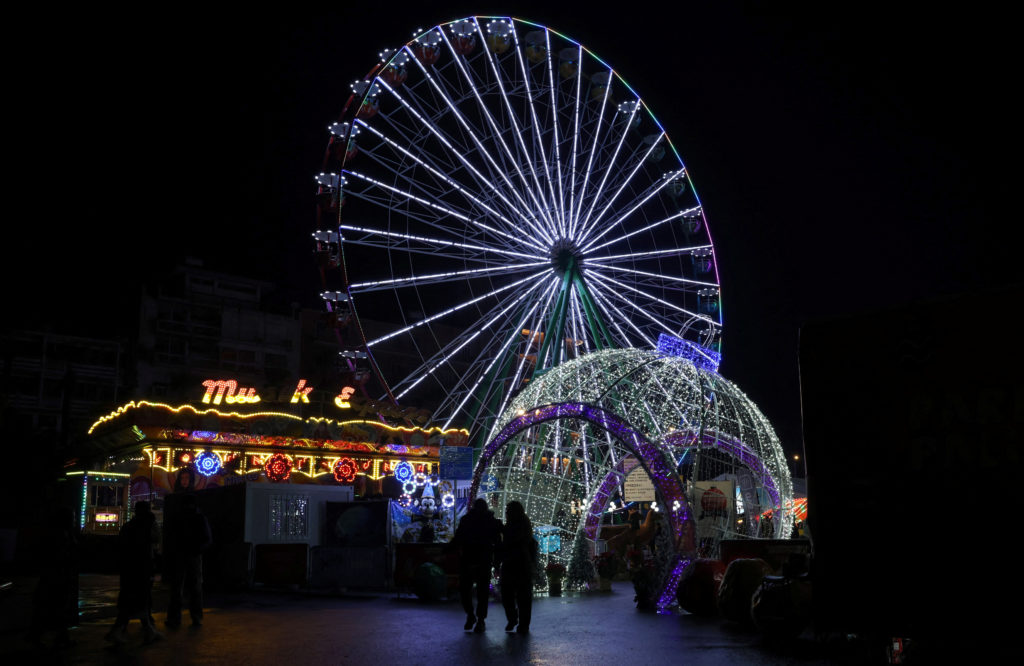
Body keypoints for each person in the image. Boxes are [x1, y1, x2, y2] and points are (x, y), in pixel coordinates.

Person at [106, 501, 162, 645]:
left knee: (134, 599)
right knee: (137, 599)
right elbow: (155, 539)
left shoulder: (128, 526)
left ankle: (147, 629)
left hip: (129, 568)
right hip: (141, 567)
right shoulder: (147, 526)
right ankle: (118, 630)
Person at [28, 506, 79, 647]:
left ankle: (45, 635)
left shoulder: (57, 534)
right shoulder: (62, 536)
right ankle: (58, 636)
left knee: (49, 607)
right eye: (73, 517)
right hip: (58, 577)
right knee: (57, 606)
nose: (74, 520)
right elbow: (62, 556)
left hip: (54, 577)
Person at [449, 498, 501, 632]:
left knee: (466, 590)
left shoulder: (467, 520)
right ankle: (480, 619)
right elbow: (497, 542)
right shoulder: (491, 521)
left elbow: (458, 537)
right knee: (482, 592)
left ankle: (471, 615)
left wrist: (448, 549)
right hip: (484, 559)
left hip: (468, 558)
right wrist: (496, 561)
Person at [165, 494, 212, 628]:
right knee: (195, 588)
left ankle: (174, 618)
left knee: (176, 588)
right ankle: (196, 618)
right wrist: (198, 550)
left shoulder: (178, 518)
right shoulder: (199, 518)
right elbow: (207, 539)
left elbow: (170, 537)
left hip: (179, 555)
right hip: (194, 556)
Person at [499, 501, 537, 635]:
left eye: (508, 510)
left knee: (517, 596)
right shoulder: (517, 524)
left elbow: (515, 540)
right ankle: (519, 622)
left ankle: (519, 622)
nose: (506, 512)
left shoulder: (519, 525)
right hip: (518, 564)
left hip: (518, 563)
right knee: (517, 596)